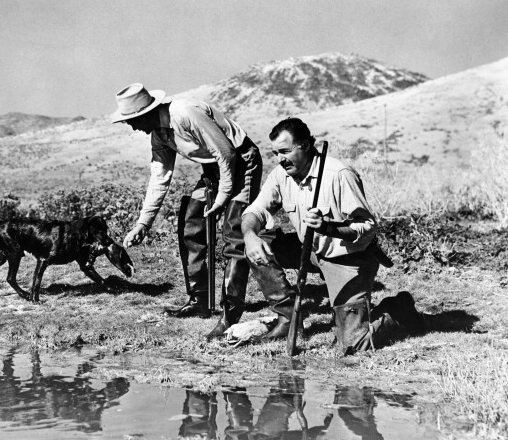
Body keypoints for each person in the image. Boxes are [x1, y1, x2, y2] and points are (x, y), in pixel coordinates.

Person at [241, 117, 424, 351]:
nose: (280, 159)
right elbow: (256, 210)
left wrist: (328, 227)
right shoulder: (280, 174)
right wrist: (249, 235)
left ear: (306, 145)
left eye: (285, 151)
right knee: (256, 244)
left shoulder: (339, 174)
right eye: (276, 153)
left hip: (348, 257)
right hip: (309, 250)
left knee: (353, 343)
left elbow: (367, 227)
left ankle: (399, 309)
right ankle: (288, 319)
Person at [110, 83, 262, 340]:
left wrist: (224, 197)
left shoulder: (184, 113)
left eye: (133, 120)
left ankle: (230, 314)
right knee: (191, 220)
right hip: (215, 172)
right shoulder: (159, 135)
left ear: (146, 112)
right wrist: (142, 224)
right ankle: (199, 300)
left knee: (234, 234)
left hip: (241, 163)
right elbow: (159, 179)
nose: (132, 126)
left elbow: (225, 153)